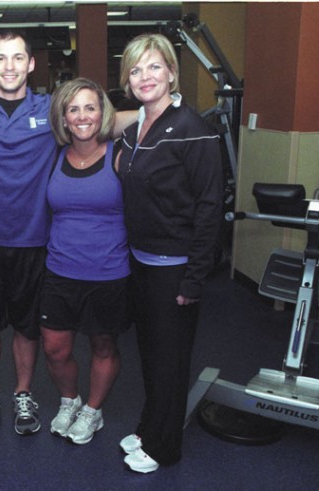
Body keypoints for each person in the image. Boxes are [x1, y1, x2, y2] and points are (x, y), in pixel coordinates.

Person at [0, 29, 137, 435]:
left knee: (26, 326)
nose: (10, 66)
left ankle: (22, 392)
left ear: (31, 65)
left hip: (35, 240)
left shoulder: (52, 109)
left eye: (18, 58)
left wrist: (158, 111)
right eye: (1, 58)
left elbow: (99, 118)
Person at [114, 33, 223, 473]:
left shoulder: (193, 130)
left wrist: (195, 277)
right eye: (136, 69)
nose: (145, 76)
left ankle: (163, 447)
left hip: (175, 268)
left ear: (172, 72)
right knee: (152, 355)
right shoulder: (138, 125)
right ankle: (148, 426)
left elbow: (210, 206)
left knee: (170, 362)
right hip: (141, 262)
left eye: (155, 66)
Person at [41, 78, 130, 445]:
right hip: (60, 269)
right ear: (63, 117)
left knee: (103, 346)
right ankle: (69, 400)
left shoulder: (120, 154)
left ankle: (93, 410)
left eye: (90, 107)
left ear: (103, 113)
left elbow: (148, 114)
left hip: (108, 272)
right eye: (73, 108)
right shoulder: (54, 155)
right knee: (54, 347)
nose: (82, 116)